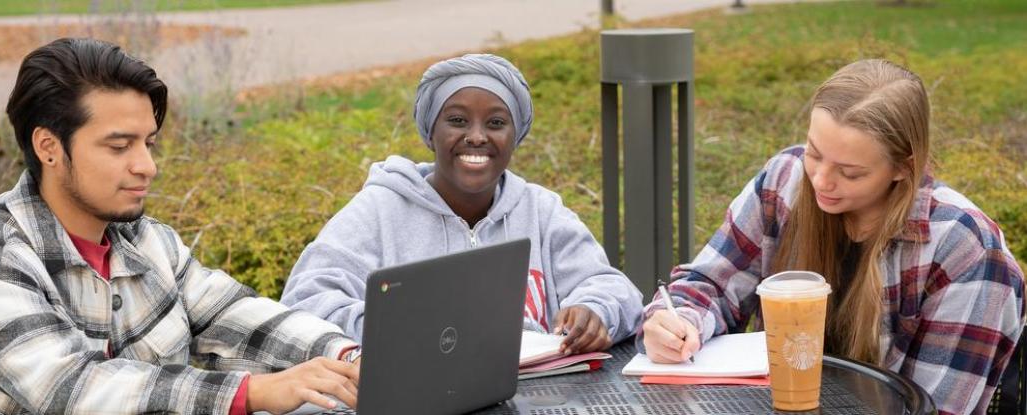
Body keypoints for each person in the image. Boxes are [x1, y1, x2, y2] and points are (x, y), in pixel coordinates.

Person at [0, 38, 362, 414]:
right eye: (119, 147)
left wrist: (345, 354)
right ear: (49, 147)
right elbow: (70, 389)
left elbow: (234, 313)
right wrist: (252, 393)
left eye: (149, 143)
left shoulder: (145, 239)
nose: (147, 166)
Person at [640, 59, 1024, 414]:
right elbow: (711, 284)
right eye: (814, 153)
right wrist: (678, 322)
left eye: (851, 173)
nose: (821, 180)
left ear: (904, 167)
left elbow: (932, 408)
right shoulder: (784, 180)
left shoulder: (966, 251)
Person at [281, 54, 642, 354]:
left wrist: (594, 312)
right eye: (456, 120)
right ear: (430, 132)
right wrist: (398, 326)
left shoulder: (541, 211)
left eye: (497, 123)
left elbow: (614, 288)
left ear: (515, 136)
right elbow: (304, 302)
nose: (476, 136)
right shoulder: (378, 210)